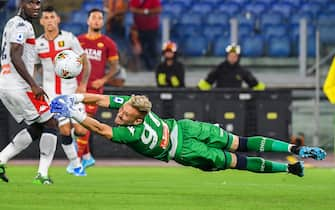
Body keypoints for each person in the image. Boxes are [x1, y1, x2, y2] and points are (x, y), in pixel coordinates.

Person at [50, 93, 327, 177]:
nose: (120, 113)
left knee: (235, 157)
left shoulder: (130, 134)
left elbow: (100, 128)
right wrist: (75, 96)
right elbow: (101, 100)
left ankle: (293, 159)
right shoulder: (134, 108)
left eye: (125, 114)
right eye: (121, 110)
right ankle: (292, 160)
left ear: (139, 117)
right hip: (182, 128)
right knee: (238, 148)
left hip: (184, 146)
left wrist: (72, 112)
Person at [0, 0, 58, 184]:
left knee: (38, 126)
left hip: (6, 83)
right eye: (31, 3)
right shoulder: (21, 25)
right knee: (51, 123)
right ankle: (42, 174)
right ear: (21, 4)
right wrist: (34, 84)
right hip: (19, 86)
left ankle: (1, 159)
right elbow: (15, 54)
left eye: (38, 3)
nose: (36, 7)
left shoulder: (11, 22)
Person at [35, 6, 91, 176]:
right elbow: (35, 65)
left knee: (81, 130)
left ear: (58, 19)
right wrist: (42, 81)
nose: (50, 20)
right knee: (64, 131)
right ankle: (76, 164)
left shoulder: (69, 39)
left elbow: (84, 60)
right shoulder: (38, 44)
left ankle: (78, 157)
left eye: (52, 16)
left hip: (72, 91)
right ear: (42, 21)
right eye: (46, 17)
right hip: (53, 95)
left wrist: (83, 84)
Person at [76, 8, 120, 168]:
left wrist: (103, 80)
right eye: (93, 17)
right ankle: (87, 156)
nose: (96, 20)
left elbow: (115, 67)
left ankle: (77, 160)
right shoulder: (78, 40)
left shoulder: (108, 43)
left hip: (94, 91)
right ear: (87, 21)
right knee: (77, 123)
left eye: (100, 18)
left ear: (103, 22)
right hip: (77, 89)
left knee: (84, 121)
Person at [198, 43, 266, 91]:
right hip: (220, 100)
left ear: (238, 58)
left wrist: (264, 89)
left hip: (236, 101)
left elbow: (254, 84)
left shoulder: (242, 70)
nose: (232, 58)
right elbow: (206, 83)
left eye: (235, 56)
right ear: (227, 56)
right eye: (230, 56)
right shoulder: (219, 68)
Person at [129, 0, 162, 71]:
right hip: (138, 28)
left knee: (152, 47)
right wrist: (146, 12)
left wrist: (143, 12)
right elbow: (132, 9)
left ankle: (155, 66)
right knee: (141, 48)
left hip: (152, 28)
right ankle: (147, 65)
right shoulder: (135, 0)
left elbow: (158, 9)